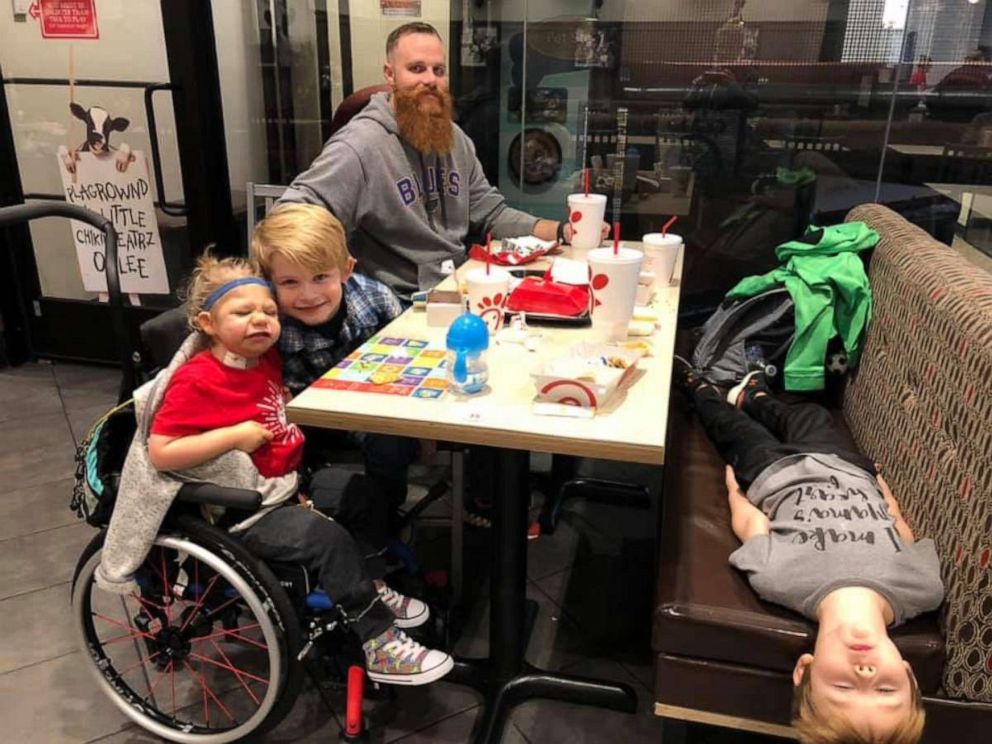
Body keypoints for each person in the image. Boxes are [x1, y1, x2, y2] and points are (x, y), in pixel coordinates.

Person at [143, 254, 453, 685]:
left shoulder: (264, 360)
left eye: (268, 311)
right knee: (324, 538)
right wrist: (233, 436)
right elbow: (161, 451)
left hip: (285, 484)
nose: (260, 321)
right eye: (242, 312)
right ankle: (378, 640)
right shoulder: (198, 380)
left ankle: (368, 584)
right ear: (207, 323)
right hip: (243, 510)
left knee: (360, 494)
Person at [673, 357, 943, 743]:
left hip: (770, 473)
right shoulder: (922, 588)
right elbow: (900, 529)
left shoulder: (780, 583)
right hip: (845, 466)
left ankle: (695, 384)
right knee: (811, 415)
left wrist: (736, 492)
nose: (864, 673)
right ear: (909, 676)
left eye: (843, 689)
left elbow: (753, 526)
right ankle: (753, 395)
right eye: (886, 690)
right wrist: (881, 488)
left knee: (731, 430)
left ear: (805, 671)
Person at [278, 21, 607, 302]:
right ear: (390, 74)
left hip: (455, 286)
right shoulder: (360, 146)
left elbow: (489, 213)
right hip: (399, 303)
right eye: (417, 68)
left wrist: (563, 230)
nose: (430, 80)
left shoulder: (454, 138)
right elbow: (291, 213)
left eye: (439, 70)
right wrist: (334, 272)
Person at [252, 203, 420, 515]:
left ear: (346, 269)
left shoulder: (377, 299)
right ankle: (306, 506)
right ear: (270, 283)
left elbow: (406, 357)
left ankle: (385, 514)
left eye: (320, 277)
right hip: (303, 417)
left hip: (372, 408)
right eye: (290, 282)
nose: (308, 295)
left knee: (390, 439)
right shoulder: (267, 322)